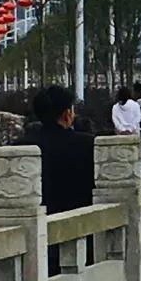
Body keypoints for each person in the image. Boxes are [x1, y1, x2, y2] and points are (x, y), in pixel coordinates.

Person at [29, 85, 98, 214]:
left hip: (36, 221)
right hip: (80, 219)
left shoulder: (24, 145)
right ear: (67, 114)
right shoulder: (88, 144)